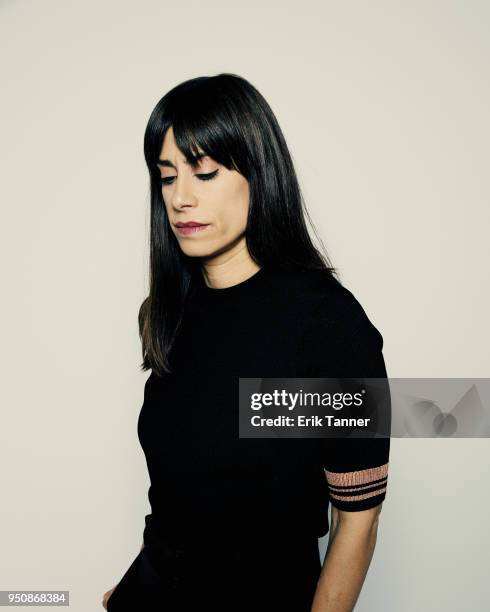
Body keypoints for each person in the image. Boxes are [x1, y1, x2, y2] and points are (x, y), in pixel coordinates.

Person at [103, 73, 391, 612]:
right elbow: (184, 497)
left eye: (205, 173)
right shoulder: (170, 313)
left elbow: (358, 519)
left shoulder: (328, 324)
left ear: (260, 173)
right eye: (167, 178)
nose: (182, 197)